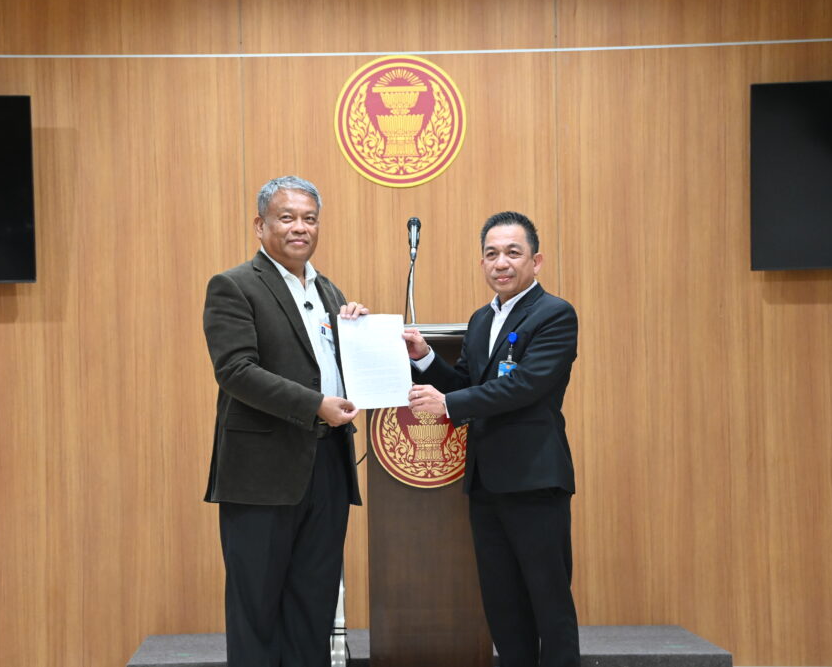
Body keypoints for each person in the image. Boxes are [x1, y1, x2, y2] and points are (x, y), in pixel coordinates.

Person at [203, 176, 367, 667]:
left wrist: (358, 334)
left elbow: (335, 367)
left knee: (313, 608)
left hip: (327, 464)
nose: (301, 228)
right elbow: (236, 371)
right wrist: (315, 404)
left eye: (310, 219)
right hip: (261, 475)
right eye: (288, 217)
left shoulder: (330, 291)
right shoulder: (234, 286)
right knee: (257, 610)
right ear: (261, 225)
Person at [404, 211, 580, 667]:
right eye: (492, 253)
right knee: (503, 606)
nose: (501, 262)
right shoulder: (481, 320)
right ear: (482, 262)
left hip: (535, 480)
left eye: (513, 253)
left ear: (536, 261)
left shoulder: (555, 314)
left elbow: (525, 386)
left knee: (549, 603)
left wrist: (448, 403)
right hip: (485, 483)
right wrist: (424, 359)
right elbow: (466, 383)